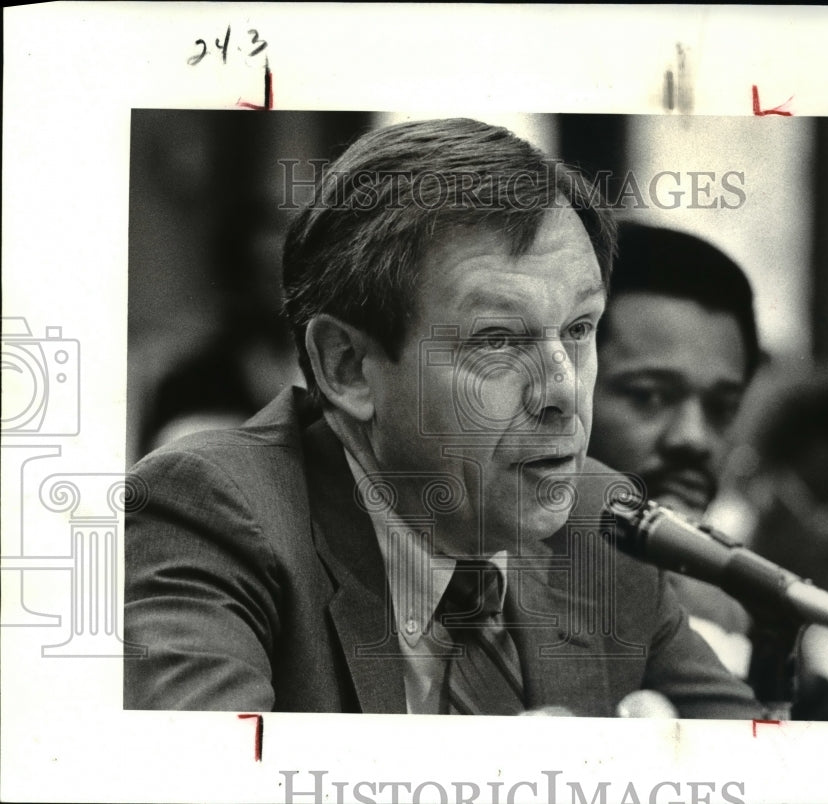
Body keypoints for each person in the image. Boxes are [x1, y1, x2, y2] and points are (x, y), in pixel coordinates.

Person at [124, 118, 764, 718]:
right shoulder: (212, 513)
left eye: (579, 330)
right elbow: (212, 780)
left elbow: (769, 774)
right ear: (347, 366)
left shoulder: (601, 523)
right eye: (497, 341)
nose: (563, 394)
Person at [588, 222, 761, 677]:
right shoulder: (494, 612)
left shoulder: (774, 647)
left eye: (722, 408)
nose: (694, 439)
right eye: (649, 396)